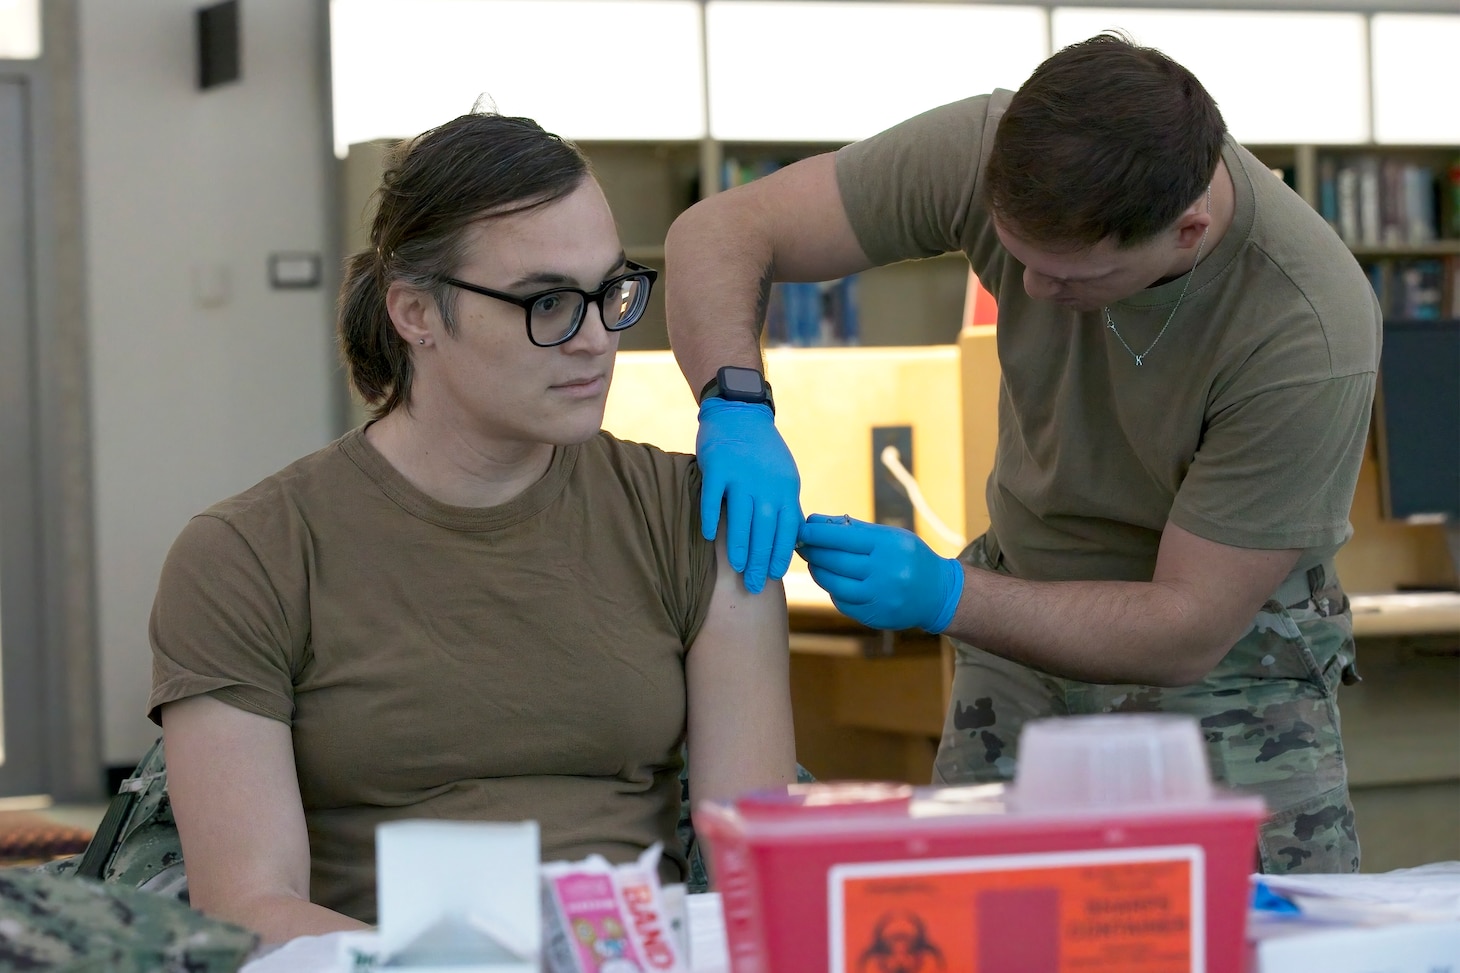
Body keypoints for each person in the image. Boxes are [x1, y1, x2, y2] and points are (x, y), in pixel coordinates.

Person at [664, 33, 1378, 873]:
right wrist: (736, 407)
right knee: (983, 917)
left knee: (1246, 941)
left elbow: (1186, 627)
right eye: (1017, 255)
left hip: (1226, 671)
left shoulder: (1307, 326)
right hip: (1022, 611)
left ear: (1187, 233)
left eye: (1070, 277)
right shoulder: (992, 148)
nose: (1032, 293)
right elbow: (720, 231)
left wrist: (944, 592)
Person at [148, 110, 797, 943]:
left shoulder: (693, 515)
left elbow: (751, 864)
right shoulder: (249, 556)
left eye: (612, 293)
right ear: (417, 312)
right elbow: (248, 904)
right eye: (550, 302)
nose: (597, 340)